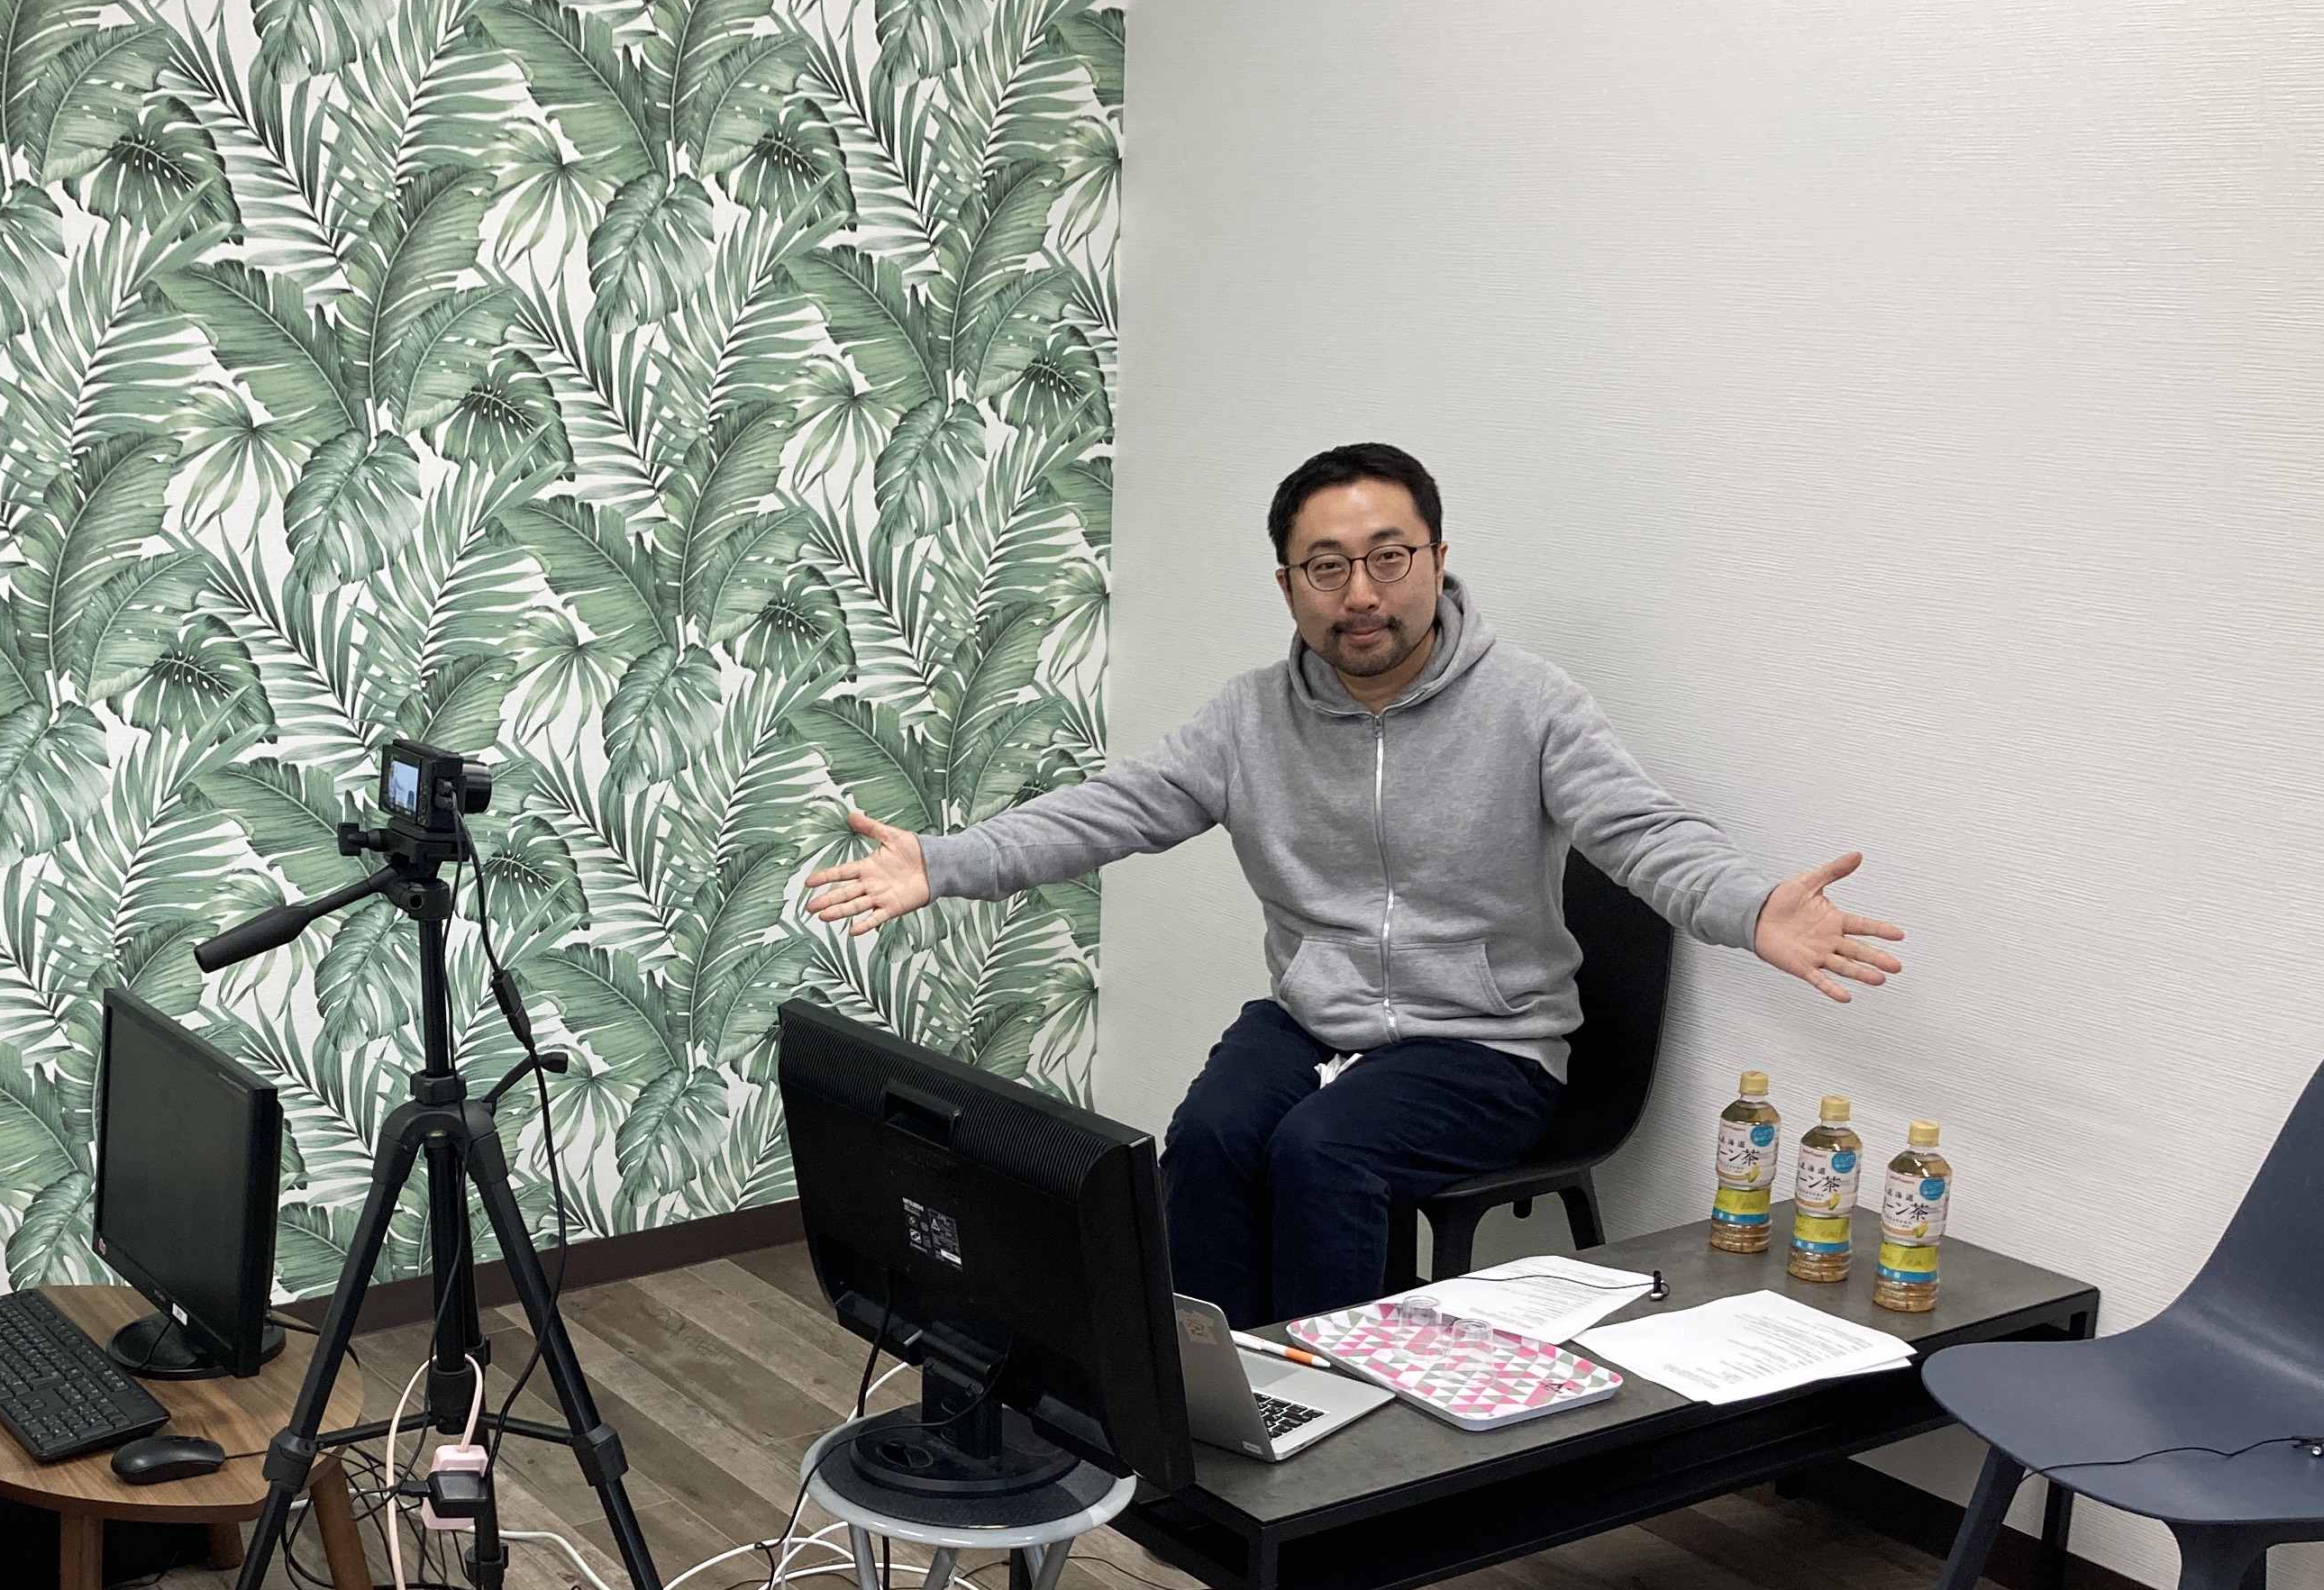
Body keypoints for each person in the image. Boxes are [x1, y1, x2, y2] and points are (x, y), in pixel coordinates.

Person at [804, 442, 1905, 1325]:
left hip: (1486, 1043)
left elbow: (1642, 831)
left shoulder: (1530, 704)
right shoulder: (1248, 719)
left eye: (1389, 557)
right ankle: (1208, 1398)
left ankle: (1332, 1429)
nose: (1361, 593)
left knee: (1322, 1154)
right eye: (1326, 568)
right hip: (1313, 1019)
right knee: (1209, 1139)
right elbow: (1108, 810)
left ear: (1437, 558)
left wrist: (1749, 909)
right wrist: (943, 862)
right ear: (1289, 585)